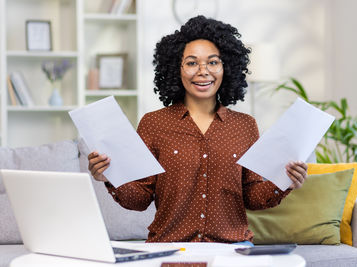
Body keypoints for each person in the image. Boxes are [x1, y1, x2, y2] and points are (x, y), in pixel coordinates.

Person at [88, 15, 307, 244]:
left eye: (213, 62)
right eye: (192, 63)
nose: (203, 71)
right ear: (176, 69)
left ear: (227, 68)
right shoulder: (154, 124)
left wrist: (286, 181)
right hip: (171, 248)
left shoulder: (245, 126)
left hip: (231, 249)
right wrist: (109, 177)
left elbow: (252, 197)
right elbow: (140, 198)